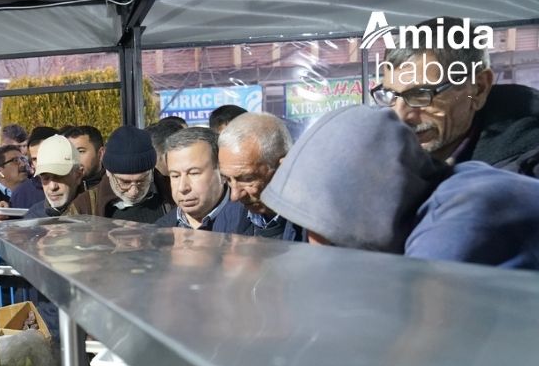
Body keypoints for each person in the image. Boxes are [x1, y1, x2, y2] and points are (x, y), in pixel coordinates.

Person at [262, 105, 539, 269]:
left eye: (323, 225)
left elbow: (415, 347)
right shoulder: (454, 187)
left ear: (370, 197)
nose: (312, 242)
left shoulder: (460, 220)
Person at [373, 16, 539, 176]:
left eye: (420, 94)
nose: (400, 116)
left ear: (478, 88)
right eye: (390, 94)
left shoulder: (526, 173)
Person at [216, 112, 303, 240]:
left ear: (284, 167)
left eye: (247, 179)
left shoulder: (319, 222)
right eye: (228, 179)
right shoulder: (228, 216)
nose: (234, 196)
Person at [154, 127, 244, 232]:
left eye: (193, 173)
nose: (182, 188)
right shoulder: (159, 233)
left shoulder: (255, 223)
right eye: (175, 176)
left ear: (223, 173)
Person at [102, 125, 173, 224]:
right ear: (108, 172)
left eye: (141, 181)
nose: (134, 192)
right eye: (125, 182)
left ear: (152, 171)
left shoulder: (172, 192)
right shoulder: (86, 205)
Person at [22, 135, 85, 218]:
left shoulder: (98, 210)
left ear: (78, 175)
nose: (52, 187)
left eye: (59, 176)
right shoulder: (32, 219)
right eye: (45, 178)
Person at [62, 125, 117, 216]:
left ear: (100, 153)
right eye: (70, 153)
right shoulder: (61, 186)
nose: (73, 158)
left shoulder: (116, 188)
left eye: (80, 151)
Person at [8, 125, 58, 211]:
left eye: (45, 156)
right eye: (35, 159)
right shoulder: (21, 194)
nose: (41, 163)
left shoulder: (80, 186)